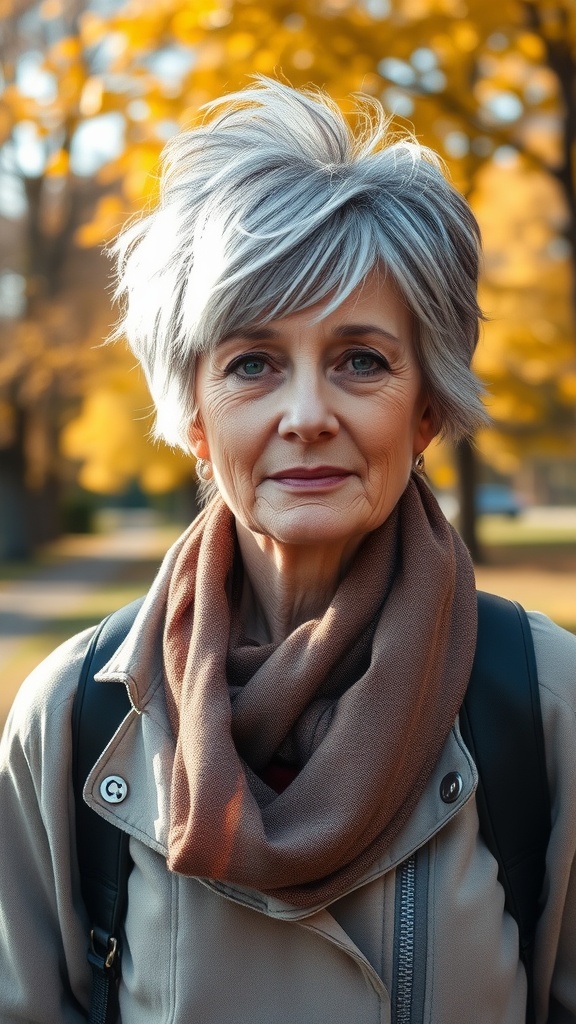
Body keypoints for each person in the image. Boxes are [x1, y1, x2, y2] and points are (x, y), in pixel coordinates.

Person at [0, 76, 575, 1024]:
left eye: (361, 361)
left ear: (426, 407)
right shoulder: (70, 720)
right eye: (252, 364)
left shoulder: (544, 703)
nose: (306, 417)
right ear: (192, 415)